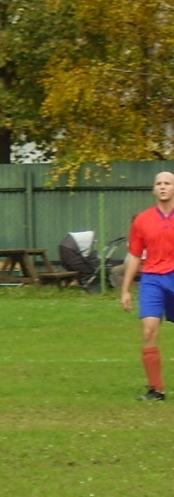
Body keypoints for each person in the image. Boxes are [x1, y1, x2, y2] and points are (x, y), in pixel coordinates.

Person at [121, 171, 174, 401]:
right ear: (153, 189)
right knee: (149, 330)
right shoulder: (142, 220)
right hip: (151, 278)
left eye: (168, 183)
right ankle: (156, 389)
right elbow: (134, 256)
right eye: (159, 183)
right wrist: (125, 289)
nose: (163, 187)